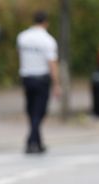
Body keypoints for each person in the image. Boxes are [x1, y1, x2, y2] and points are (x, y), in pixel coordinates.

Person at [17, 10, 61, 154]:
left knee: (31, 111)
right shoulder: (48, 41)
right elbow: (52, 64)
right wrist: (56, 84)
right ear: (46, 22)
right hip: (41, 79)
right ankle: (30, 141)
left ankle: (38, 142)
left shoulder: (22, 37)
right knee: (39, 112)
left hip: (26, 77)